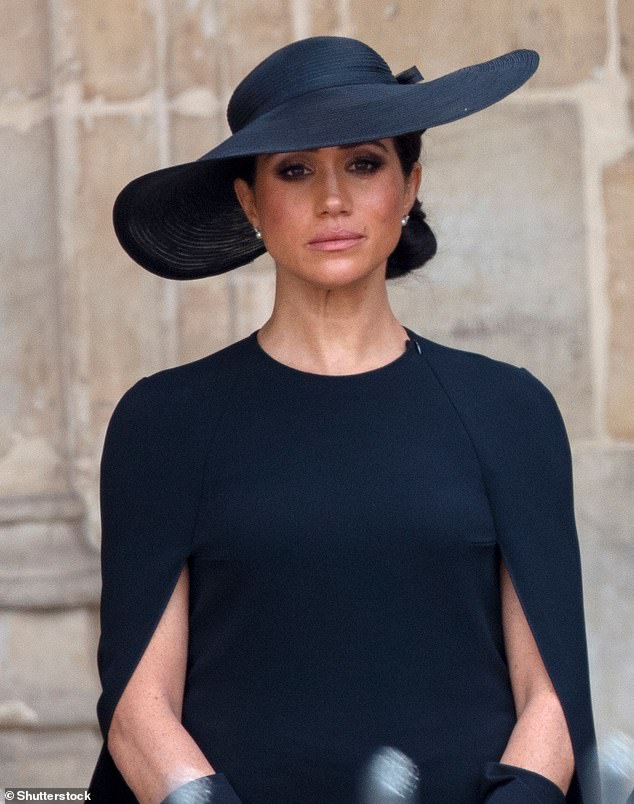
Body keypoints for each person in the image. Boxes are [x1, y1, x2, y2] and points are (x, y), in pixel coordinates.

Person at [87, 35, 602, 804]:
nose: (333, 199)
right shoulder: (164, 422)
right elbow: (138, 710)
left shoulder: (509, 409)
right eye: (295, 171)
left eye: (364, 163)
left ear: (410, 183)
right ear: (251, 202)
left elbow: (554, 693)